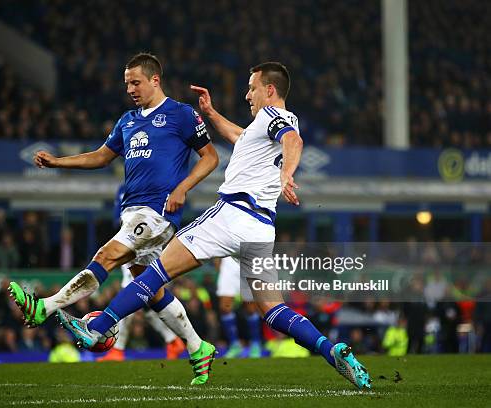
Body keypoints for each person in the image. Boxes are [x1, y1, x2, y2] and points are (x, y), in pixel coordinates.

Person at [57, 62, 372, 389]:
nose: (247, 94)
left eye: (252, 88)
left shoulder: (274, 118)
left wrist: (288, 173)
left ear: (270, 89)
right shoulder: (261, 128)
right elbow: (241, 137)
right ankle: (331, 349)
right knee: (273, 309)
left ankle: (99, 326)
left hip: (232, 215)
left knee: (153, 271)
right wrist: (210, 112)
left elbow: (293, 140)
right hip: (262, 227)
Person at [8, 53, 219, 384]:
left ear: (154, 80)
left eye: (135, 82)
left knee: (106, 256)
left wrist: (182, 188)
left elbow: (211, 157)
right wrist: (58, 163)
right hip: (131, 212)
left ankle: (44, 307)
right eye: (126, 84)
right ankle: (197, 347)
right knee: (149, 289)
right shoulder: (127, 120)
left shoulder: (181, 114)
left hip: (157, 212)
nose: (130, 89)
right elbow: (101, 156)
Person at [99, 184, 185, 361]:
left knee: (130, 294)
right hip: (130, 240)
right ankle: (173, 340)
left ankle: (118, 349)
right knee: (148, 302)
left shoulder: (157, 184)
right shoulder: (124, 187)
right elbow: (118, 220)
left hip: (143, 244)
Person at [215, 257, 263, 358]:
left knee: (251, 308)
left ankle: (255, 344)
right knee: (225, 308)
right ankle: (234, 345)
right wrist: (217, 260)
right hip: (228, 263)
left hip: (247, 260)